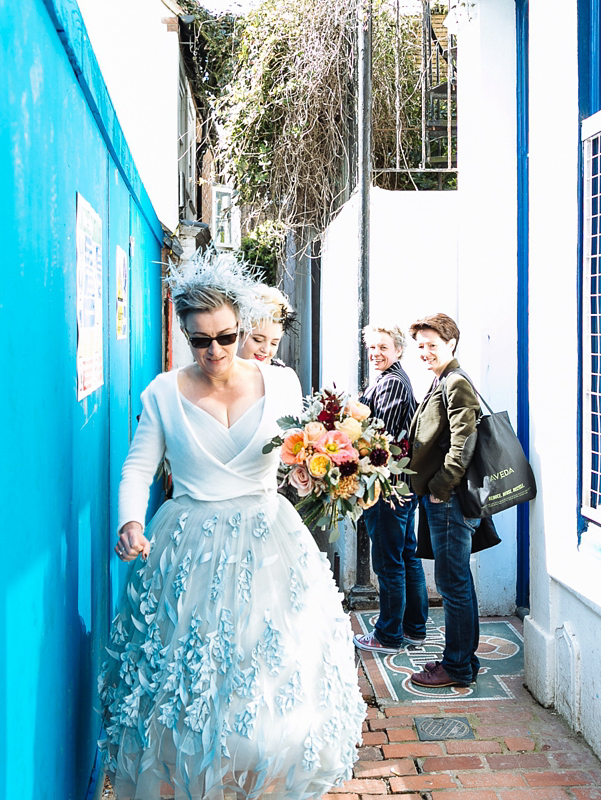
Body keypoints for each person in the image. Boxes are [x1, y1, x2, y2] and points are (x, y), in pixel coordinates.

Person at [98, 253, 365, 800]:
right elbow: (138, 467)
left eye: (225, 336)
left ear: (241, 327)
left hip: (270, 545)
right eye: (200, 341)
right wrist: (130, 522)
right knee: (191, 680)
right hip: (188, 547)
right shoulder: (163, 393)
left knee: (269, 675)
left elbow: (305, 450)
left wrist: (336, 468)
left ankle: (260, 782)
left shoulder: (283, 384)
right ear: (184, 334)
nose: (214, 351)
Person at [405, 312, 482, 688]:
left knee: (452, 584)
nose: (425, 352)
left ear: (451, 342)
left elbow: (463, 440)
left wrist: (440, 486)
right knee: (458, 581)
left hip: (449, 501)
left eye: (432, 345)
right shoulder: (442, 380)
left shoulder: (455, 382)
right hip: (444, 499)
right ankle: (465, 658)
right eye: (420, 346)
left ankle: (456, 665)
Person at [352, 324, 429, 656]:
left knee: (389, 563)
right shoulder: (390, 380)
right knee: (405, 557)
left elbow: (378, 441)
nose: (376, 354)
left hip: (386, 488)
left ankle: (388, 635)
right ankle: (413, 629)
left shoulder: (393, 385)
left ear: (399, 350)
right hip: (399, 487)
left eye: (383, 347)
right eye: (372, 348)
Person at [237, 284, 296, 368]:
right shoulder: (216, 373)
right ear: (238, 333)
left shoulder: (283, 377)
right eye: (258, 340)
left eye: (274, 343)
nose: (266, 350)